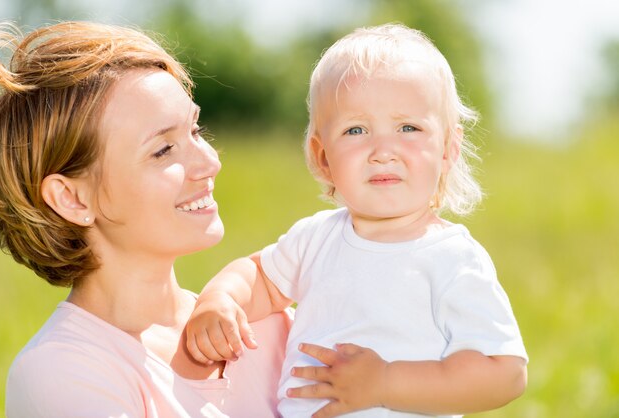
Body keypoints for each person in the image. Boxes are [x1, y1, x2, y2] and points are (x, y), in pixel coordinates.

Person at [186, 23, 528, 418]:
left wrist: (384, 382)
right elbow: (258, 276)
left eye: (408, 128)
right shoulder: (316, 239)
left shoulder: (452, 258)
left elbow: (503, 373)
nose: (383, 150)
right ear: (322, 157)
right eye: (356, 130)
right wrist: (219, 299)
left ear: (449, 148)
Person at [0, 21, 290, 417]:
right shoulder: (60, 374)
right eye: (163, 150)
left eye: (196, 130)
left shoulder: (270, 324)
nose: (210, 163)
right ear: (71, 198)